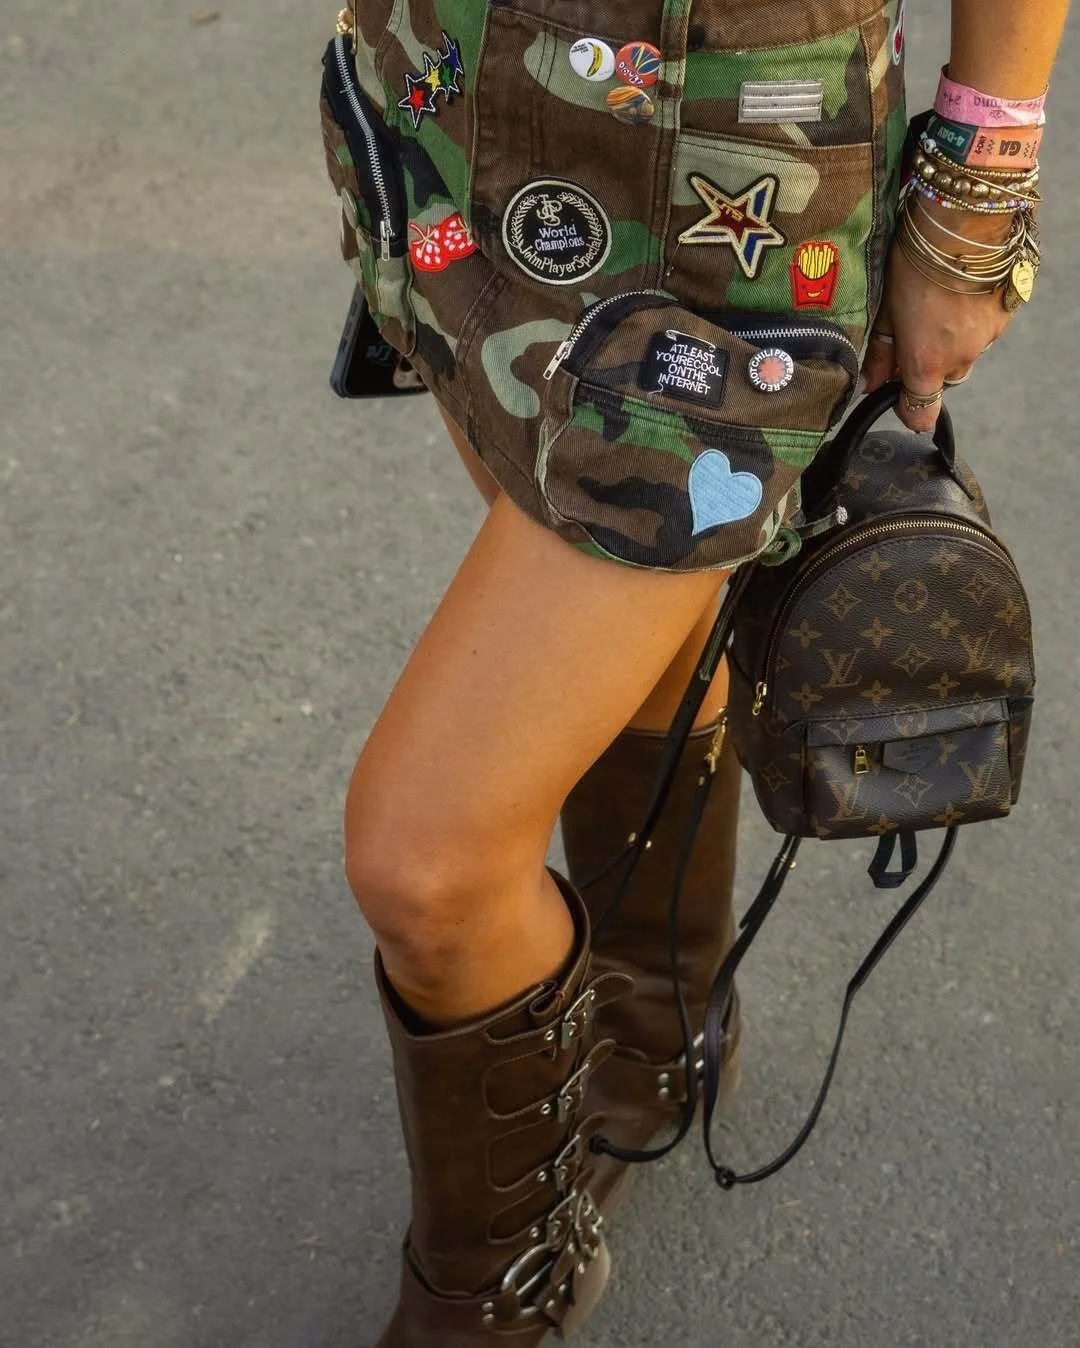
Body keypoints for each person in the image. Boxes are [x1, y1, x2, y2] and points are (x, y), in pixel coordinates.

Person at [319, 0, 1069, 1341]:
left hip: (735, 157)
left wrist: (977, 185)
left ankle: (487, 1303)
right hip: (450, 88)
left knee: (425, 867)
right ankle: (657, 1035)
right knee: (632, 637)